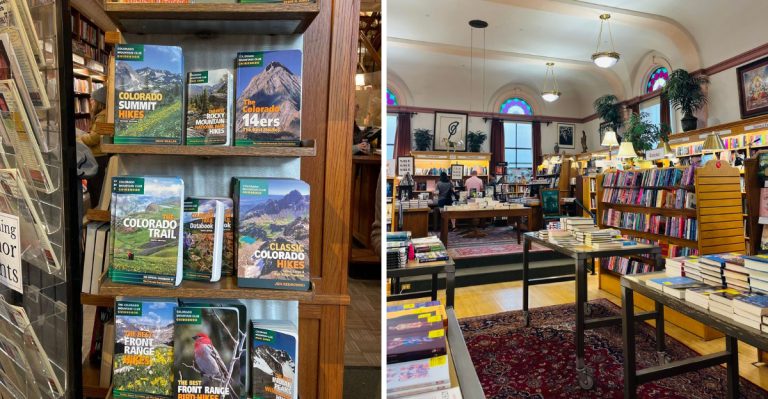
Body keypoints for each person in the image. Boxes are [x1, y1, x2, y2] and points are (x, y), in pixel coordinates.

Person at [77, 87, 109, 205]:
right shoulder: (102, 115)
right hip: (100, 155)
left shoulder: (102, 117)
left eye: (93, 100)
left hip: (99, 156)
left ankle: (98, 214)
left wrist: (81, 138)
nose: (91, 102)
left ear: (99, 102)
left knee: (96, 188)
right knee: (96, 187)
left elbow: (94, 138)